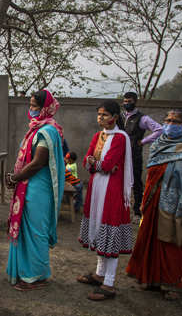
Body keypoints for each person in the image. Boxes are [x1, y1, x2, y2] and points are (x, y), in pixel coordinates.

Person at [127, 109, 182, 299]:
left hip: (177, 206)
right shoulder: (158, 145)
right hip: (153, 203)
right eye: (168, 120)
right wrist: (143, 201)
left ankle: (171, 284)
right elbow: (150, 177)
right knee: (150, 241)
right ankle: (150, 278)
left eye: (176, 121)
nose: (171, 124)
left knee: (173, 243)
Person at [5, 90, 65, 291]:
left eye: (35, 106)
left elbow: (38, 163)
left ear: (45, 108)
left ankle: (37, 276)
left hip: (38, 188)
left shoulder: (47, 131)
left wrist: (14, 177)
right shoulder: (37, 129)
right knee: (25, 230)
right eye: (30, 105)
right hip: (28, 186)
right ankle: (25, 271)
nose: (31, 110)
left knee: (36, 232)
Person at [77, 100, 133, 301]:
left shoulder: (120, 138)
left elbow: (108, 164)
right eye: (99, 114)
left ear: (115, 117)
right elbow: (87, 160)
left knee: (110, 232)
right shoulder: (98, 135)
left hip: (111, 191)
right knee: (101, 230)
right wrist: (96, 164)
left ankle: (109, 283)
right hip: (97, 188)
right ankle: (99, 274)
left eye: (105, 115)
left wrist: (97, 164)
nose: (100, 118)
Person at [121, 91, 163, 216]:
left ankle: (137, 210)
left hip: (134, 155)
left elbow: (159, 130)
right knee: (120, 180)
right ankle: (122, 207)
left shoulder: (142, 118)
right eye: (125, 101)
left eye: (129, 101)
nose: (127, 104)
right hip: (121, 153)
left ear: (135, 102)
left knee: (136, 182)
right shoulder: (121, 116)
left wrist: (143, 141)